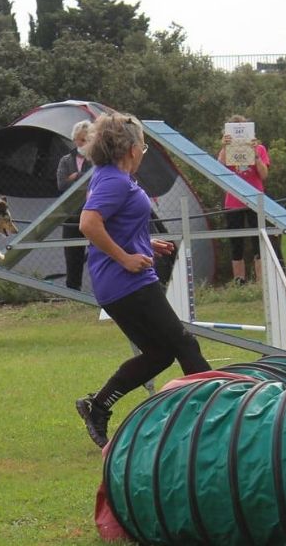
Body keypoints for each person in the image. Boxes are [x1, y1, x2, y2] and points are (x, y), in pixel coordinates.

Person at [74, 113, 211, 448]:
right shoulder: (114, 180)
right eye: (144, 146)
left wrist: (144, 242)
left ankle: (98, 405)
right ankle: (220, 410)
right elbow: (89, 224)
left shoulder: (113, 176)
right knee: (183, 343)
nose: (144, 152)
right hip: (126, 281)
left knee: (159, 353)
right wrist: (126, 257)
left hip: (123, 282)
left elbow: (113, 222)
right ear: (131, 148)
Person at [217, 114, 270, 285]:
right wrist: (224, 147)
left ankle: (261, 282)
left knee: (259, 241)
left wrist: (255, 154)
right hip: (233, 202)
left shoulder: (260, 149)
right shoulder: (226, 150)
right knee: (236, 243)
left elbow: (264, 174)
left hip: (255, 201)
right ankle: (239, 281)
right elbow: (218, 170)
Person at [56, 120, 94, 290]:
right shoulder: (65, 160)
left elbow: (96, 180)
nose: (81, 143)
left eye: (85, 140)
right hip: (71, 215)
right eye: (79, 139)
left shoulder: (96, 160)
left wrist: (75, 177)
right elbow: (61, 185)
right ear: (74, 140)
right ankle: (73, 290)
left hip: (93, 213)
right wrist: (79, 177)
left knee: (98, 252)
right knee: (72, 256)